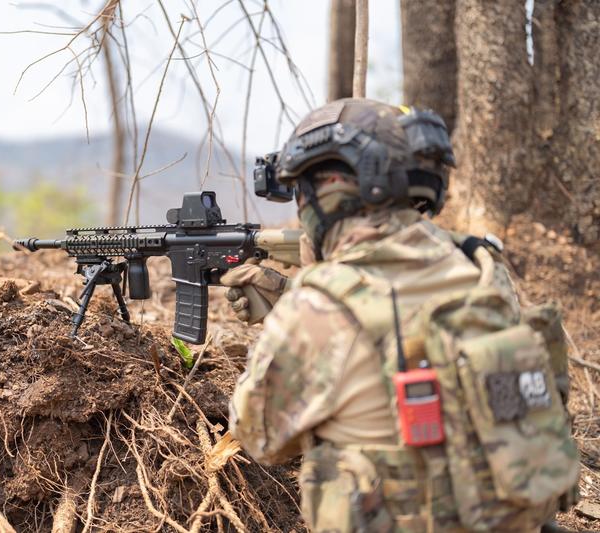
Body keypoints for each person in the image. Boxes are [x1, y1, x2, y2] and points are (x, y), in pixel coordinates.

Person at [221, 98, 579, 532]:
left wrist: (306, 294)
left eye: (303, 192)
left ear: (328, 193)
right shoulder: (482, 269)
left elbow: (259, 436)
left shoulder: (319, 307)